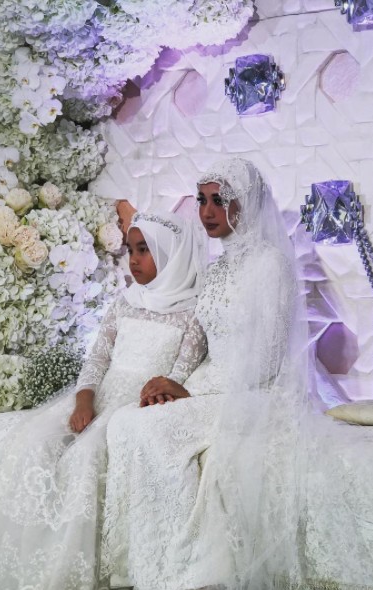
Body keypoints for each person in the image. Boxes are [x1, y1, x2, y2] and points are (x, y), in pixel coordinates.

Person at [0, 211, 207, 590]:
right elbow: (97, 358)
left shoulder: (192, 314)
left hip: (134, 406)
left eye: (144, 250)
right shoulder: (125, 302)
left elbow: (178, 376)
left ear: (172, 254)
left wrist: (159, 394)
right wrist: (83, 400)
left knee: (86, 457)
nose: (133, 259)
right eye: (130, 250)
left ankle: (68, 567)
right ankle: (24, 558)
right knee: (33, 441)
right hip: (98, 394)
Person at [101, 158, 308, 590]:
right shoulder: (215, 271)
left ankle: (186, 567)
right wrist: (175, 383)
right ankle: (141, 562)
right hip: (210, 387)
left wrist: (190, 392)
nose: (208, 211)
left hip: (255, 395)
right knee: (126, 421)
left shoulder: (270, 265)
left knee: (153, 431)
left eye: (220, 200)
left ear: (246, 202)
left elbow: (267, 361)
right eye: (202, 200)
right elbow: (200, 343)